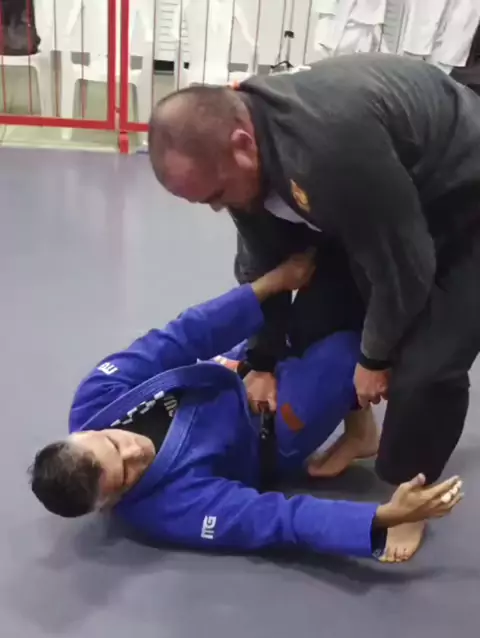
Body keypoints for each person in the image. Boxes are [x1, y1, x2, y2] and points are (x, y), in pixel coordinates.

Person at [147, 52, 480, 561]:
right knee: (315, 324)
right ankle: (362, 432)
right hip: (386, 203)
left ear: (242, 144)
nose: (217, 207)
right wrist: (262, 360)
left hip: (463, 194)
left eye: (217, 193)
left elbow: (405, 267)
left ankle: (410, 500)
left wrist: (375, 358)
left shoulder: (327, 151)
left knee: (426, 368)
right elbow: (265, 265)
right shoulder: (244, 157)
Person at [29, 255, 462, 564]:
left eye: (114, 442)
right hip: (269, 429)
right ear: (109, 503)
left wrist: (271, 284)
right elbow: (274, 520)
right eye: (126, 473)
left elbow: (181, 337)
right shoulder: (168, 509)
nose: (134, 451)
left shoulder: (96, 399)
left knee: (328, 293)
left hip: (235, 368)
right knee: (357, 349)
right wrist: (380, 518)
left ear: (85, 432)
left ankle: (359, 429)